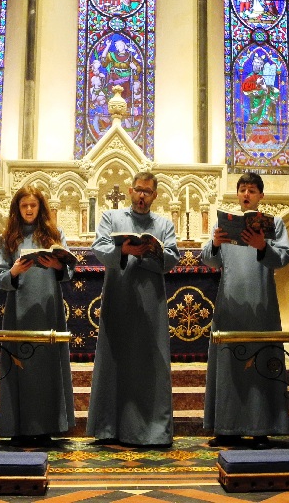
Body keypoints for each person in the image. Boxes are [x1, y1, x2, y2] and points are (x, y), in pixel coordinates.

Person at [86, 172, 180, 447]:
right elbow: (100, 249)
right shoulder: (111, 218)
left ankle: (153, 431)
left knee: (149, 363)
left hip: (151, 302)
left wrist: (149, 254)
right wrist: (124, 251)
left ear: (155, 195)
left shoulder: (163, 224)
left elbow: (172, 258)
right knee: (115, 359)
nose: (142, 196)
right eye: (138, 190)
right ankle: (108, 428)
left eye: (147, 192)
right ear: (130, 190)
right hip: (119, 298)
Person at [201, 172, 289, 449]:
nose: (246, 195)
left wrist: (262, 245)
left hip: (260, 307)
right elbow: (209, 260)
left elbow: (285, 257)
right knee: (229, 366)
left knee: (261, 365)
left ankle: (261, 428)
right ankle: (227, 428)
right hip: (230, 306)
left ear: (261, 195)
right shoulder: (226, 225)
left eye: (252, 190)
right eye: (242, 190)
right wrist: (215, 243)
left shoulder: (274, 225)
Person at [0, 185, 75, 447]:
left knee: (47, 366)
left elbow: (69, 272)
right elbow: (0, 279)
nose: (29, 210)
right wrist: (15, 271)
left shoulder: (54, 234)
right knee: (20, 366)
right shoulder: (7, 238)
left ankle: (47, 425)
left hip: (48, 308)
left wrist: (57, 265)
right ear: (17, 209)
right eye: (24, 206)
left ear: (41, 208)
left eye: (33, 205)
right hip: (19, 309)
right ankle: (18, 425)